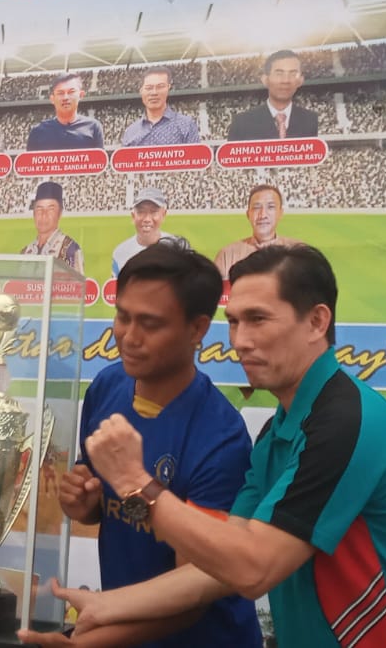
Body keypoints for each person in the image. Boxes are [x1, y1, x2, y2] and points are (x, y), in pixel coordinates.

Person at [22, 244, 386, 648]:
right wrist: (108, 607)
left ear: (317, 322)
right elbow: (217, 567)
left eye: (258, 319)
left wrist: (135, 482)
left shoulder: (349, 419)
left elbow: (253, 570)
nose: (240, 341)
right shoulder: (277, 434)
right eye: (234, 322)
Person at [59, 244, 261, 647]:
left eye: (150, 324)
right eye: (122, 317)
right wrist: (85, 503)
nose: (129, 337)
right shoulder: (106, 388)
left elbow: (195, 589)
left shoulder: (221, 438)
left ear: (197, 329)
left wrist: (89, 640)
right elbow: (102, 504)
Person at [225, 50, 319, 141]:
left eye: (293, 73)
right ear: (265, 79)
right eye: (279, 73)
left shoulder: (312, 120)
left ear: (301, 80)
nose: (285, 80)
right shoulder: (242, 123)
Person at [213, 185, 303, 279]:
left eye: (271, 207)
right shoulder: (227, 255)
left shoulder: (298, 252)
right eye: (256, 207)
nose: (263, 215)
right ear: (248, 214)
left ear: (280, 213)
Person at [110, 187, 189, 277]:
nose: (147, 219)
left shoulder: (178, 248)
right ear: (133, 216)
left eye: (153, 212)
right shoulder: (120, 252)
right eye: (141, 212)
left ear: (163, 214)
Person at [121, 68, 200, 147]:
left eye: (160, 87)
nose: (154, 92)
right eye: (149, 88)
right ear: (141, 91)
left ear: (168, 88)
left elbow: (196, 157)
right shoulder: (130, 132)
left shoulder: (186, 125)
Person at [27, 73, 104, 150]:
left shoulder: (93, 127)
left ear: (81, 95)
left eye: (71, 92)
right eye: (60, 93)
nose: (65, 97)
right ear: (52, 99)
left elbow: (100, 160)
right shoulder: (38, 132)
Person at [21, 181, 84, 274]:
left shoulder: (69, 249)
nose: (44, 215)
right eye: (39, 209)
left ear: (60, 213)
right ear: (33, 213)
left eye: (51, 209)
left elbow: (78, 286)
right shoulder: (26, 252)